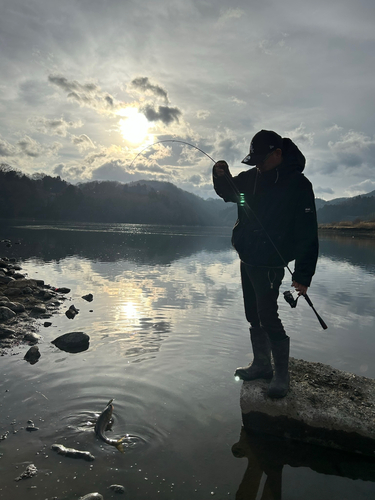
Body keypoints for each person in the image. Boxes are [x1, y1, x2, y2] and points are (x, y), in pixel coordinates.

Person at [212, 130, 318, 398]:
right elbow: (229, 193)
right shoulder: (250, 179)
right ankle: (261, 364)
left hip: (271, 263)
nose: (257, 164)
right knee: (253, 314)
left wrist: (303, 275)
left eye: (262, 159)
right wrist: (219, 175)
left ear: (278, 154)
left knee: (268, 315)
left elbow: (308, 233)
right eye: (254, 159)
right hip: (247, 258)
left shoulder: (298, 185)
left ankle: (281, 374)